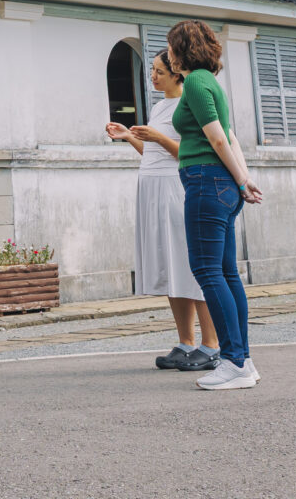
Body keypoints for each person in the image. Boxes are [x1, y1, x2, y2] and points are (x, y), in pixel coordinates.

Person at [105, 50, 218, 372]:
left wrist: (157, 136)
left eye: (159, 72)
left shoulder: (190, 104)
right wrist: (130, 137)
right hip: (152, 187)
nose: (152, 76)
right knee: (170, 267)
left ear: (178, 74)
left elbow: (193, 152)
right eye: (152, 71)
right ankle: (186, 342)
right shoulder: (158, 106)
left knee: (189, 264)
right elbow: (153, 154)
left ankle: (211, 345)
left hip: (176, 188)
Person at [165, 19, 263, 391]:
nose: (169, 54)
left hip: (206, 181)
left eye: (171, 47)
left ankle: (234, 362)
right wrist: (244, 179)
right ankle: (244, 360)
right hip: (221, 184)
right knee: (226, 273)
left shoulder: (193, 83)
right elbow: (231, 136)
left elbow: (218, 138)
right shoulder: (211, 83)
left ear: (180, 50)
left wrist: (242, 179)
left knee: (207, 271)